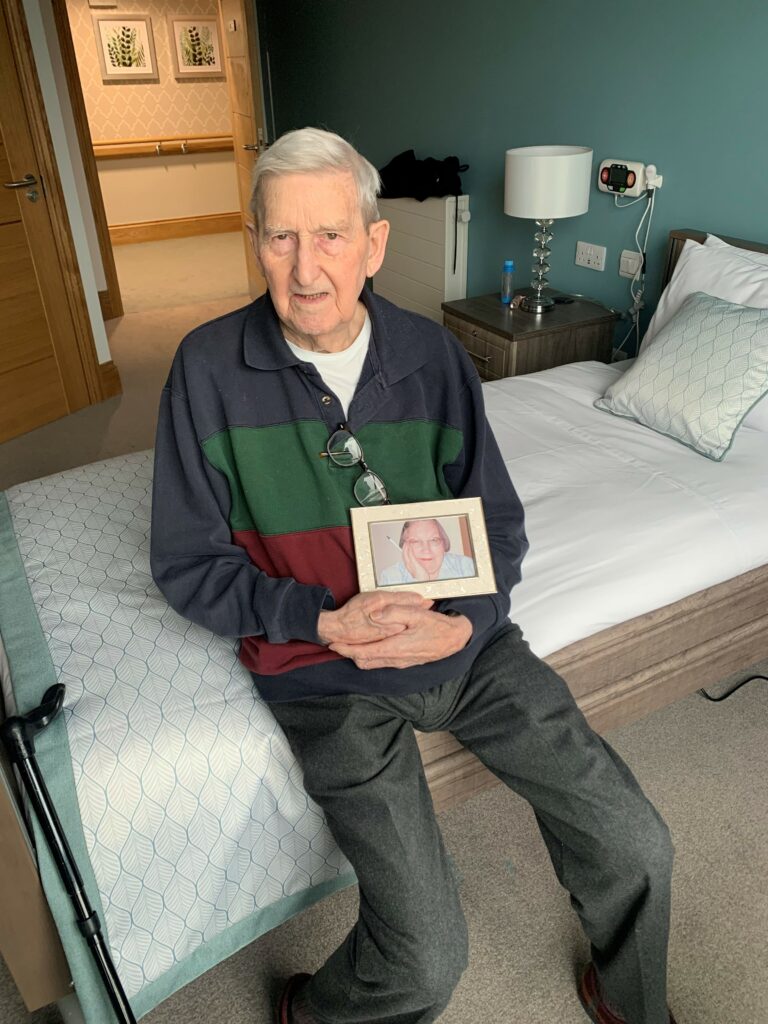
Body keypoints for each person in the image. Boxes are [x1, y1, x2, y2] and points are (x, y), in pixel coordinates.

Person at [150, 127, 675, 1024]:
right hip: (323, 678)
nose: (306, 267)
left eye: (331, 236)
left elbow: (495, 520)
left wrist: (466, 622)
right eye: (281, 236)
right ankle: (314, 1012)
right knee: (428, 960)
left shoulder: (431, 355)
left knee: (639, 843)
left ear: (375, 243)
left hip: (467, 649)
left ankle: (627, 999)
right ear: (254, 240)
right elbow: (186, 564)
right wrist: (319, 622)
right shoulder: (204, 368)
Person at [377, 518, 476, 585]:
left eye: (434, 540)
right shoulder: (390, 577)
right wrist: (420, 580)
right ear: (404, 547)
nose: (426, 550)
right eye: (415, 541)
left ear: (444, 543)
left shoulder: (467, 566)